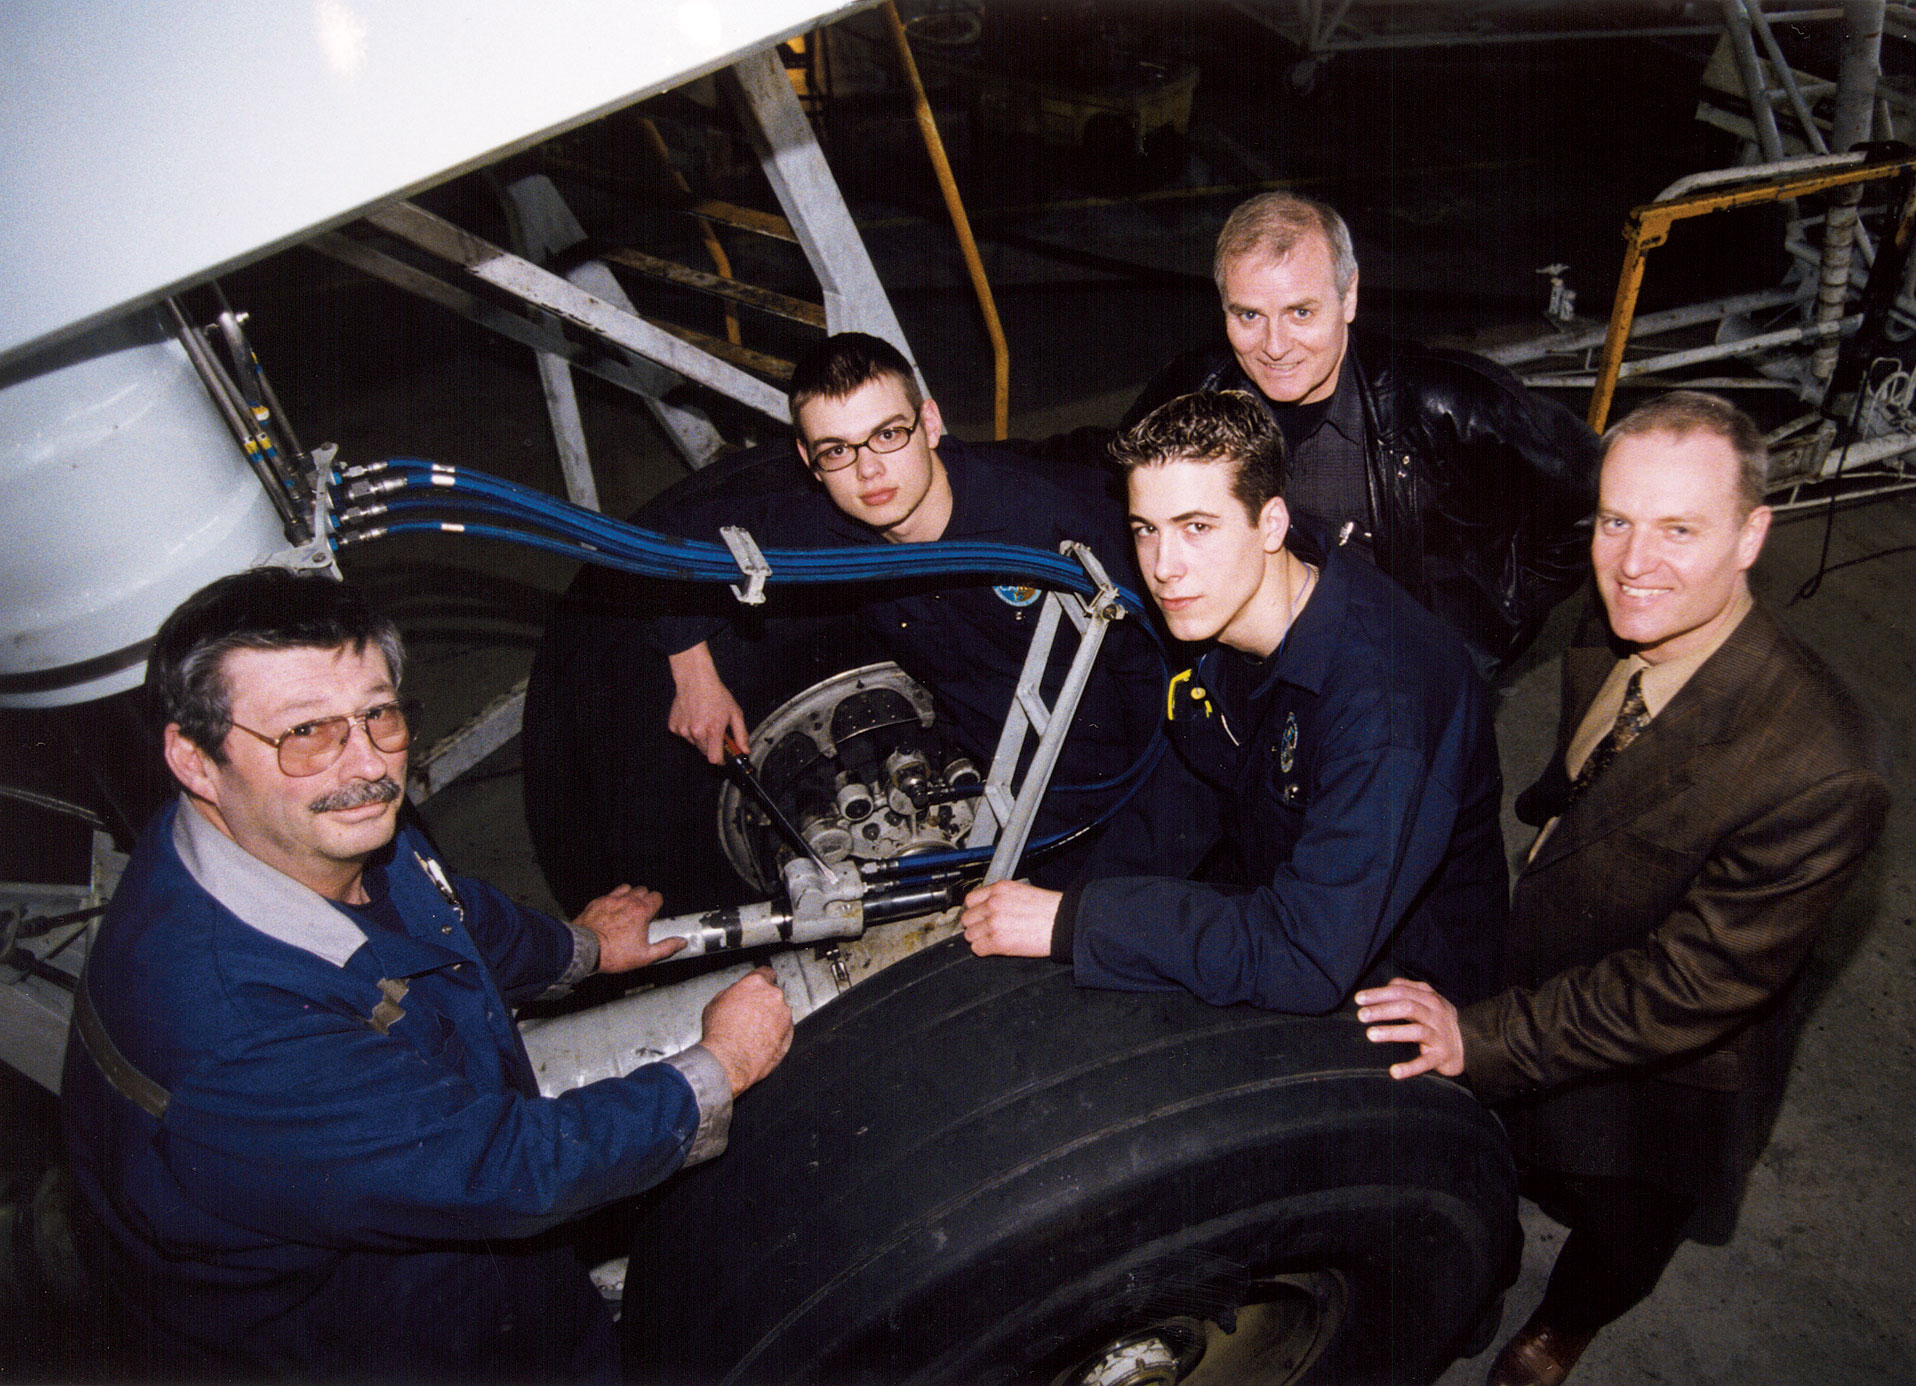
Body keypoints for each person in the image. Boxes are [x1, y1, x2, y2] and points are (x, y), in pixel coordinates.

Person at [60, 568, 793, 1382]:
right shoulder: (231, 1030)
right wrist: (717, 1069)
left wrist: (578, 950)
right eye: (306, 732)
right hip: (374, 1339)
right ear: (195, 761)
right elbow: (509, 1169)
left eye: (379, 713)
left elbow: (439, 906)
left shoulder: (294, 825)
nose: (366, 765)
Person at [1355, 392, 1891, 1386]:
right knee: (1527, 1159)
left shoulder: (1822, 765)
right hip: (1554, 975)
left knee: (1621, 1223)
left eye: (1677, 529)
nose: (1631, 564)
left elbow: (1683, 991)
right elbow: (1587, 781)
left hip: (1666, 1071)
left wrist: (1478, 1038)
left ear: (1750, 536)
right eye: (1614, 521)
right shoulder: (1612, 632)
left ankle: (1557, 1334)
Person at [525, 332, 1161, 907]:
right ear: (807, 459)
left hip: (1112, 789)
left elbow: (1165, 667)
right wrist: (692, 668)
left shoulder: (1048, 519)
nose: (869, 470)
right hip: (992, 778)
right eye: (838, 449)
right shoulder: (833, 524)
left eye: (889, 434)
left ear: (930, 422)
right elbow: (665, 535)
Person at [962, 390, 1507, 1014]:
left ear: (1270, 523)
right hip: (1279, 914)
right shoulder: (1230, 617)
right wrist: (1062, 901)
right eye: (1147, 530)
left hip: (1395, 991)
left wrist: (1075, 924)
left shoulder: (1384, 702)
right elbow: (1187, 791)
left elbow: (1304, 960)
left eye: (1198, 527)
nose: (1165, 567)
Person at [1126, 191, 1600, 675]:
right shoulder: (1195, 390)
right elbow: (1111, 471)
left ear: (1348, 295)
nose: (1273, 346)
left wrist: (1491, 621)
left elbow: (1586, 491)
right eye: (1249, 315)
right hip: (1257, 677)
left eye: (1301, 312)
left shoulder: (1445, 401)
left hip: (1403, 679)